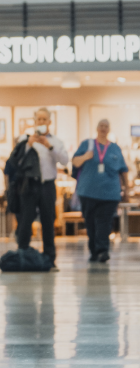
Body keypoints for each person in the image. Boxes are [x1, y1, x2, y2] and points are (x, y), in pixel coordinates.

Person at [11, 108, 70, 269]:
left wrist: (49, 146)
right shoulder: (25, 139)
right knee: (25, 221)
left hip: (48, 186)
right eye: (39, 119)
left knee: (48, 221)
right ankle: (22, 255)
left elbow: (65, 161)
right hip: (29, 185)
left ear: (49, 122)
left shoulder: (56, 141)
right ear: (35, 121)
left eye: (45, 119)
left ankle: (50, 258)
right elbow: (16, 160)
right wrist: (29, 145)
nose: (42, 122)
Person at [72, 119, 128, 263]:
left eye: (106, 126)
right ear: (97, 128)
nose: (103, 128)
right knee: (90, 223)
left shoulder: (115, 148)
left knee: (104, 222)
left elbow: (123, 170)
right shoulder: (87, 144)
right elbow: (75, 162)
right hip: (88, 192)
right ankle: (93, 250)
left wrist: (126, 189)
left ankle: (103, 250)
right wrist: (86, 156)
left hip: (110, 193)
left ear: (109, 129)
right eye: (101, 126)